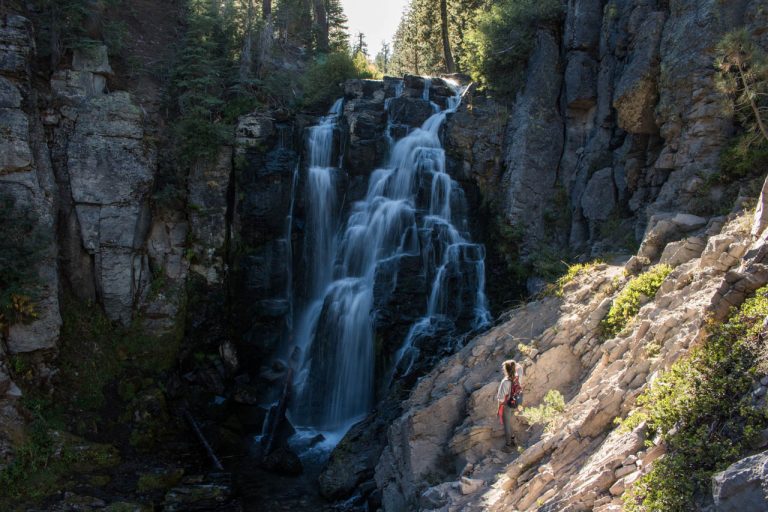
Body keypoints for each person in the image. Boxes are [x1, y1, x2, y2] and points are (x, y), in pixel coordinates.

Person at [496, 359, 523, 450]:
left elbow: (501, 398)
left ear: (506, 370)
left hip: (508, 404)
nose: (503, 370)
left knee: (506, 424)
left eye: (504, 368)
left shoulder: (505, 382)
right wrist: (514, 365)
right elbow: (520, 367)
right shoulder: (518, 375)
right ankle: (513, 438)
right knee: (509, 420)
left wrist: (499, 408)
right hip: (517, 401)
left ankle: (508, 445)